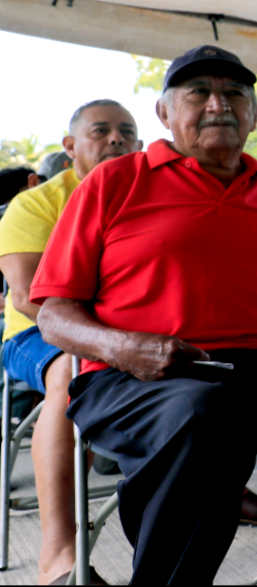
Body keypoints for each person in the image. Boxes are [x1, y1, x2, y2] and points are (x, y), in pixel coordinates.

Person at [30, 44, 257, 582]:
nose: (219, 104)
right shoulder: (116, 182)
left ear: (254, 115)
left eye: (235, 94)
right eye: (199, 93)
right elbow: (54, 316)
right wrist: (125, 347)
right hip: (137, 375)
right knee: (203, 415)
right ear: (164, 115)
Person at [0, 99, 140, 585]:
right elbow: (23, 298)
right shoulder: (35, 203)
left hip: (130, 334)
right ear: (70, 146)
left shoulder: (149, 194)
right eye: (101, 131)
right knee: (70, 368)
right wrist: (109, 344)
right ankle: (58, 556)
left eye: (127, 131)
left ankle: (224, 486)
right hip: (39, 335)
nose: (116, 139)